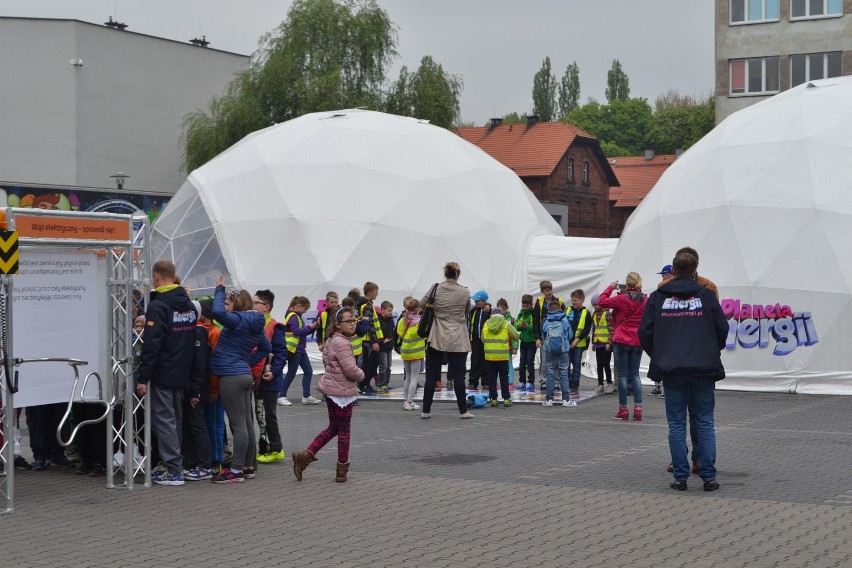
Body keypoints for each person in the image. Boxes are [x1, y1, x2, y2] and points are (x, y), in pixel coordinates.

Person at [639, 252, 728, 492]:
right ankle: (708, 477)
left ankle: (681, 477)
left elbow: (645, 332)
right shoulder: (706, 295)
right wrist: (710, 350)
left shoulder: (659, 297)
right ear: (695, 268)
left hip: (672, 369)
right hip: (702, 368)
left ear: (674, 270)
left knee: (676, 423)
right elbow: (722, 328)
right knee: (705, 422)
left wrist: (660, 354)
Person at [135, 260, 199, 486]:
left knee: (165, 421)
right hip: (182, 371)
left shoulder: (159, 306)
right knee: (175, 420)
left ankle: (174, 470)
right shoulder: (189, 305)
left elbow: (152, 345)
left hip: (163, 372)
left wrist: (143, 377)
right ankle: (175, 465)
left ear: (156, 277)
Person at [209, 278, 272, 484]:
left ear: (237, 303)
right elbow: (266, 347)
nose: (226, 305)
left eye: (229, 302)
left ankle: (235, 471)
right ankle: (247, 466)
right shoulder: (256, 324)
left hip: (231, 376)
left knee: (237, 425)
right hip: (243, 374)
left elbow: (217, 313)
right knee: (245, 423)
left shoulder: (237, 320)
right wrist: (247, 360)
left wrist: (219, 289)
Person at [292, 307, 364, 483]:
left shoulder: (332, 339)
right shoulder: (342, 343)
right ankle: (341, 469)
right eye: (348, 321)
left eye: (354, 320)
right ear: (338, 324)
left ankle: (305, 456)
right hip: (341, 392)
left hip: (333, 390)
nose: (352, 324)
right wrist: (362, 375)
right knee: (344, 431)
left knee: (334, 427)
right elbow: (350, 370)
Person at [420, 262, 474, 419]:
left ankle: (426, 411)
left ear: (445, 273)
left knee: (431, 375)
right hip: (458, 335)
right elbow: (467, 310)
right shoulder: (464, 291)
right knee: (458, 375)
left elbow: (422, 303)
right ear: (458, 274)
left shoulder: (436, 287)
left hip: (437, 334)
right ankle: (463, 411)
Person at [597, 272, 648, 421]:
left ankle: (623, 409)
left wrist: (610, 287)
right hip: (637, 340)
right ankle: (638, 409)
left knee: (623, 376)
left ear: (627, 284)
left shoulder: (621, 298)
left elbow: (601, 301)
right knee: (635, 375)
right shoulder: (646, 299)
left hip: (621, 339)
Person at [251, 290, 288, 464]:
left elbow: (281, 353)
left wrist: (273, 371)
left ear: (266, 307)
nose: (252, 306)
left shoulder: (275, 327)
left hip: (269, 379)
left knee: (267, 414)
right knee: (261, 414)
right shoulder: (252, 324)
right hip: (256, 378)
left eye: (255, 303)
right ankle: (265, 447)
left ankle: (275, 448)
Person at [180, 301, 213, 481]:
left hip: (195, 389)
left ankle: (204, 465)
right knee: (187, 425)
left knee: (198, 425)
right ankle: (189, 462)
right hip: (186, 387)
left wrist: (196, 392)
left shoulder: (199, 331)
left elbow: (200, 366)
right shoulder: (187, 331)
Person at [279, 296, 320, 405]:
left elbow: (300, 333)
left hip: (299, 348)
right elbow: (296, 332)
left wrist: (312, 328)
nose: (305, 311)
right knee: (292, 373)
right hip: (294, 349)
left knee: (308, 371)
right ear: (299, 306)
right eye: (305, 309)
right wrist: (310, 327)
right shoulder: (293, 316)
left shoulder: (295, 316)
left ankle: (306, 396)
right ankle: (281, 395)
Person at [482, 306, 519, 407]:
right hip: (502, 356)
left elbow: (482, 338)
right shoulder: (506, 323)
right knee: (504, 378)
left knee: (491, 379)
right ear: (502, 315)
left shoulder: (486, 324)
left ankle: (493, 399)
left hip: (490, 356)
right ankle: (506, 399)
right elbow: (515, 335)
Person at [532, 280, 566, 390]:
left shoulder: (559, 301)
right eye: (546, 290)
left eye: (550, 289)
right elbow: (535, 321)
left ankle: (556, 382)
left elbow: (564, 317)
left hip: (558, 335)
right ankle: (544, 381)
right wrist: (537, 338)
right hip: (544, 336)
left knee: (557, 360)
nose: (549, 292)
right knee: (545, 360)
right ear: (542, 291)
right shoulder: (539, 302)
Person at [541, 299, 573, 407]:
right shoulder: (564, 319)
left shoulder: (547, 320)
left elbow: (543, 335)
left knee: (550, 374)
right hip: (563, 350)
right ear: (560, 308)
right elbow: (570, 335)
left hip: (549, 350)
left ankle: (549, 400)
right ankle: (566, 400)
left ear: (549, 309)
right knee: (563, 374)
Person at [396, 299, 425, 410]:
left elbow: (399, 332)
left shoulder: (403, 320)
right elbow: (424, 335)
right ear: (417, 309)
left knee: (407, 377)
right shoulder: (420, 322)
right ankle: (410, 401)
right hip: (416, 353)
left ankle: (406, 400)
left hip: (405, 352)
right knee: (414, 378)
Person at [356, 282, 385, 394]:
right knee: (368, 364)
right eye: (376, 291)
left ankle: (366, 384)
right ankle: (363, 385)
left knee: (374, 362)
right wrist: (374, 341)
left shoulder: (367, 304)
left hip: (369, 340)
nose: (377, 294)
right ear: (370, 292)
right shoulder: (367, 306)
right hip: (368, 340)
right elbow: (370, 324)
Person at [650, 264, 674, 396]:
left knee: (663, 360)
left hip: (663, 331)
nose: (663, 277)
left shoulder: (662, 289)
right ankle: (659, 386)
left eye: (664, 274)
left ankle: (665, 388)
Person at [566, 289, 591, 398]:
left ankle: (574, 385)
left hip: (578, 343)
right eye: (572, 300)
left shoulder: (586, 312)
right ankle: (566, 382)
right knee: (566, 364)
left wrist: (577, 339)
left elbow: (586, 329)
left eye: (575, 300)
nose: (573, 302)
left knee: (576, 364)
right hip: (567, 342)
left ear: (582, 300)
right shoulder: (568, 310)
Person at [589, 294, 614, 395]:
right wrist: (594, 343)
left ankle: (609, 383)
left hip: (606, 344)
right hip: (598, 343)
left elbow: (611, 328)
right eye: (593, 305)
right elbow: (594, 329)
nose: (595, 307)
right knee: (599, 365)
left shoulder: (607, 313)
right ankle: (600, 384)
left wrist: (609, 342)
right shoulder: (594, 314)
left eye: (596, 305)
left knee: (606, 364)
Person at [467, 290, 490, 390]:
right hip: (475, 340)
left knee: (485, 362)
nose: (476, 302)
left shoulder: (489, 311)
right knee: (475, 361)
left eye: (478, 300)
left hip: (485, 341)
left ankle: (486, 382)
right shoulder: (473, 310)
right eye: (475, 300)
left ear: (484, 301)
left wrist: (489, 305)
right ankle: (473, 382)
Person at [515, 294, 536, 392]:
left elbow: (534, 328)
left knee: (530, 362)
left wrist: (527, 326)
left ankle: (531, 382)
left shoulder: (533, 314)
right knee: (522, 362)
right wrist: (521, 326)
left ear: (531, 304)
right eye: (524, 305)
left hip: (532, 342)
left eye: (527, 305)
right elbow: (517, 327)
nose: (525, 307)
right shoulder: (520, 313)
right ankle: (522, 381)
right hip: (523, 341)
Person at [376, 300, 395, 392]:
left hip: (389, 346)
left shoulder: (390, 320)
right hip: (382, 347)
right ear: (382, 310)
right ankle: (381, 384)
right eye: (389, 311)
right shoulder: (379, 320)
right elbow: (377, 334)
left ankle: (386, 383)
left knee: (389, 365)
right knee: (383, 366)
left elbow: (392, 332)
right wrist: (382, 341)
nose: (390, 313)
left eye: (391, 311)